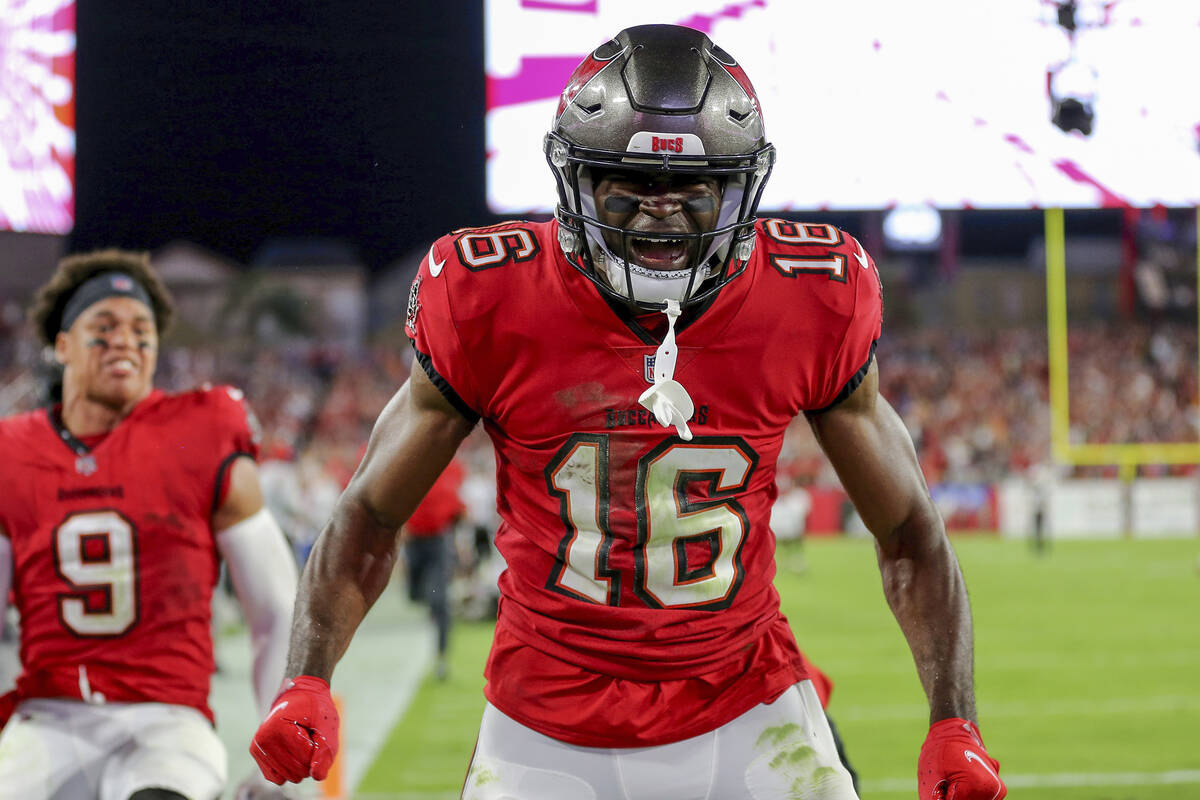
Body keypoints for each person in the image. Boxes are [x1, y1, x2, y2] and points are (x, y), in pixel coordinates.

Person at [251, 24, 1006, 800]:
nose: (661, 215)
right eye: (630, 185)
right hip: (543, 718)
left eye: (692, 188)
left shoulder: (814, 294)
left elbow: (911, 532)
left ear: (739, 189)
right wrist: (306, 678)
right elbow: (369, 515)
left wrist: (956, 722)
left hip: (746, 699)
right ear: (574, 180)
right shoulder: (488, 297)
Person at [0, 250, 299, 800]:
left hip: (168, 720)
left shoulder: (200, 428)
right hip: (49, 717)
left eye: (142, 329)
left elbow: (277, 606)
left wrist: (270, 762)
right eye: (104, 326)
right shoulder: (12, 452)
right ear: (62, 344)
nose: (126, 340)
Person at [401, 456, 465, 680]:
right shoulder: (410, 461)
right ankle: (431, 613)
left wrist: (459, 540)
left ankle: (441, 657)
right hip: (414, 541)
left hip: (438, 540)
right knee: (415, 596)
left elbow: (458, 509)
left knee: (439, 600)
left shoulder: (451, 467)